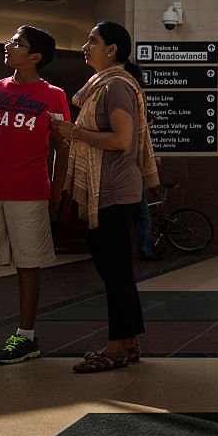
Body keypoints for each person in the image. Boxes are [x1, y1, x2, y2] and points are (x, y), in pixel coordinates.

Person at [0, 26, 70, 365]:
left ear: (34, 56)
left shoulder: (54, 95)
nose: (8, 46)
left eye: (16, 43)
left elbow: (61, 148)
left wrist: (56, 190)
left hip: (30, 191)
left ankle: (26, 337)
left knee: (28, 263)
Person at [51, 21, 159, 373]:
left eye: (91, 41)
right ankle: (128, 343)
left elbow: (120, 140)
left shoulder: (115, 86)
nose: (85, 46)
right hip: (111, 188)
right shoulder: (104, 86)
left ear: (112, 50)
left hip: (112, 190)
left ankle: (114, 348)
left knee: (114, 273)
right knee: (118, 272)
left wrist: (74, 132)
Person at [135, 113, 163, 260]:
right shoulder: (137, 138)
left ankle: (147, 248)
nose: (149, 130)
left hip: (137, 184)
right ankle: (146, 250)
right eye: (149, 126)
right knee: (143, 218)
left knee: (143, 218)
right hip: (135, 184)